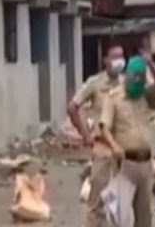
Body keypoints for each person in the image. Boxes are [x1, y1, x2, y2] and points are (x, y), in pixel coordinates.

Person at [99, 48, 155, 227]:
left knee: (145, 217)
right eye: (134, 77)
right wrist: (114, 146)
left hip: (145, 164)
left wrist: (151, 64)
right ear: (127, 75)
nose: (138, 81)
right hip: (125, 164)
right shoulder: (114, 97)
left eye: (141, 77)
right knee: (120, 218)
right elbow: (104, 127)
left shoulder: (145, 95)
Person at [67, 43, 126, 227]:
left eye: (121, 57)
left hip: (123, 150)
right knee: (97, 204)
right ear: (106, 60)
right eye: (115, 57)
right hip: (102, 149)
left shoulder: (126, 84)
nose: (119, 62)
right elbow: (72, 107)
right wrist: (85, 135)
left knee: (122, 204)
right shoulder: (96, 83)